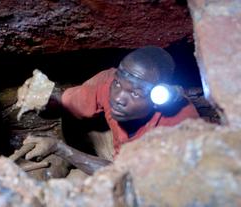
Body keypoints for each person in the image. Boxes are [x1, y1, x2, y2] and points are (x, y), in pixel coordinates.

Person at [22, 46, 199, 175]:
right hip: (119, 152)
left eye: (135, 93)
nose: (118, 98)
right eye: (118, 83)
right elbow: (61, 102)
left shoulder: (178, 128)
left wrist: (59, 149)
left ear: (158, 99)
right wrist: (37, 95)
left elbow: (125, 179)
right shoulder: (109, 84)